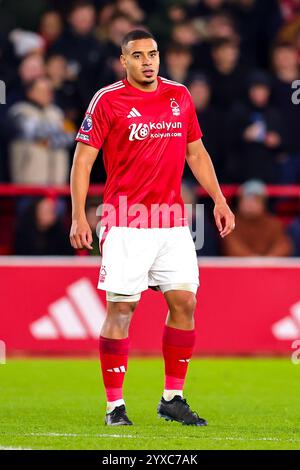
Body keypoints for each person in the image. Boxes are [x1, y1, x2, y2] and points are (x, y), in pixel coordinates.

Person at [70, 29, 235, 427]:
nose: (148, 61)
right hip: (125, 221)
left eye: (153, 54)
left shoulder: (179, 95)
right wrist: (78, 215)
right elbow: (82, 161)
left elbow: (196, 153)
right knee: (122, 308)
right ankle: (114, 407)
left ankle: (172, 398)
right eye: (138, 55)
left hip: (172, 222)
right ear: (123, 61)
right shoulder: (108, 99)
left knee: (185, 303)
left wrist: (219, 199)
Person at [221, 180, 292, 257]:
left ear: (263, 203)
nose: (250, 204)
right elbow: (231, 247)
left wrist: (268, 260)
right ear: (239, 202)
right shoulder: (231, 223)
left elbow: (283, 246)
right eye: (247, 200)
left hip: (269, 266)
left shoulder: (274, 224)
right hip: (241, 267)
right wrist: (252, 260)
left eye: (255, 200)